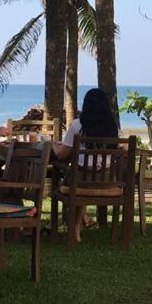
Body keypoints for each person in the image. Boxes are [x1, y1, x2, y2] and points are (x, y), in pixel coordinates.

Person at [53, 88, 120, 242]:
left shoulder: (77, 125)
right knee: (83, 179)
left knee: (75, 178)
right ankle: (81, 223)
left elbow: (62, 154)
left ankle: (74, 228)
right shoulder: (112, 127)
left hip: (80, 181)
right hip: (106, 181)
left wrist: (52, 145)